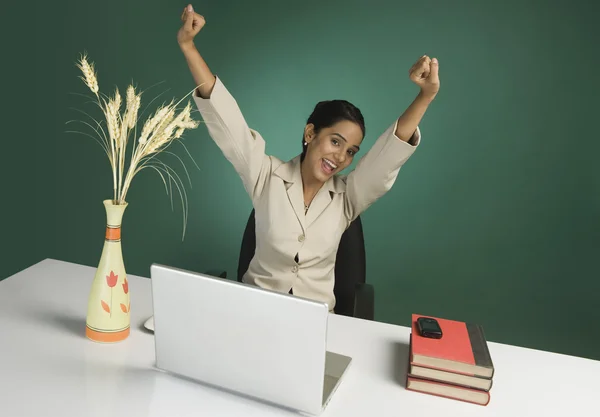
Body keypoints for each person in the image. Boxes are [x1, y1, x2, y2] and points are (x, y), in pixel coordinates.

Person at [177, 4, 440, 313]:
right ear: (311, 133)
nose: (341, 157)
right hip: (253, 314)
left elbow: (388, 155)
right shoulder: (266, 175)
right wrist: (188, 45)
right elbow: (228, 122)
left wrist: (425, 96)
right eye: (335, 141)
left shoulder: (347, 198)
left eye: (351, 151)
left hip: (316, 326)